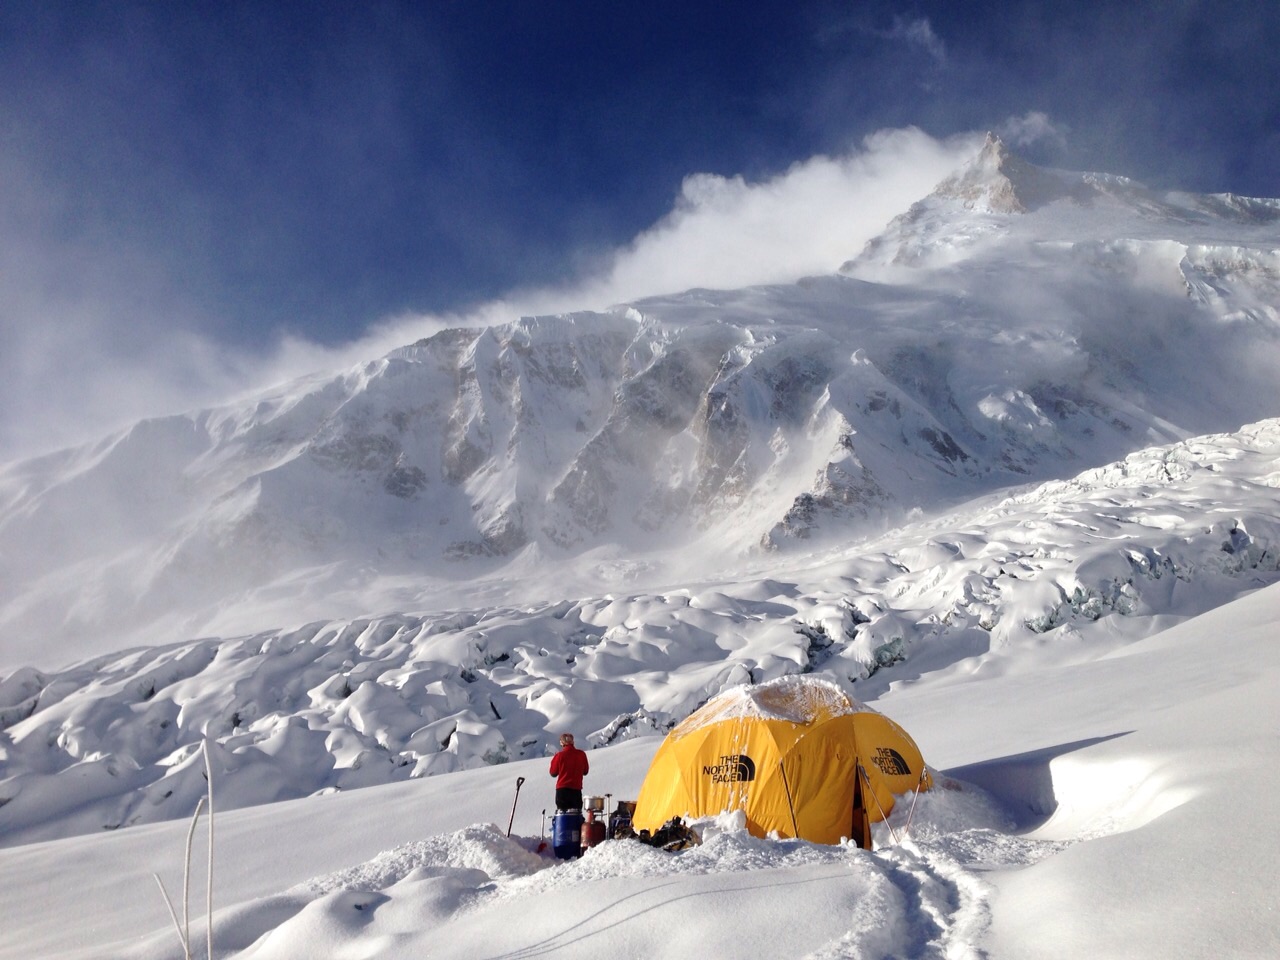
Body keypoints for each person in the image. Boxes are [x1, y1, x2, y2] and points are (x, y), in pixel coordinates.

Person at [549, 732, 589, 811]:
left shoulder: (559, 755)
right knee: (576, 816)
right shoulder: (581, 754)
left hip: (562, 790)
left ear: (562, 743)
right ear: (573, 742)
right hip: (576, 790)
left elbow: (553, 772)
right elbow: (585, 771)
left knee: (563, 816)